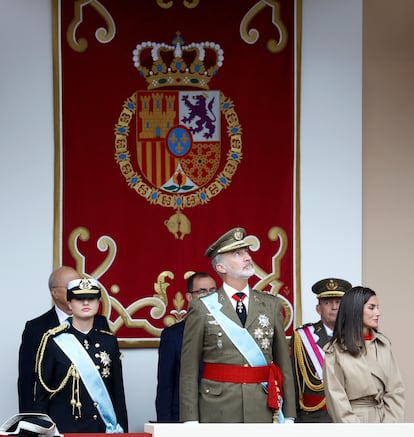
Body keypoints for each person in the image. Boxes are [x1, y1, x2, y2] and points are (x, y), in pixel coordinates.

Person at [179, 227, 296, 423]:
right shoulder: (202, 307)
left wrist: (290, 415)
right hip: (218, 408)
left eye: (247, 252)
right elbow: (189, 369)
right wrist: (190, 419)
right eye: (237, 253)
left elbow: (284, 363)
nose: (247, 257)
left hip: (262, 407)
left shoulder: (271, 305)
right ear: (221, 267)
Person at [34, 278, 128, 433]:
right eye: (79, 298)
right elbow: (42, 397)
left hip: (101, 428)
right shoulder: (53, 341)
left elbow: (117, 393)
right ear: (70, 304)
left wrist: (123, 431)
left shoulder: (109, 341)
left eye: (91, 298)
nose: (86, 303)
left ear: (98, 303)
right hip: (64, 429)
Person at [18, 266, 109, 413]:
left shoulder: (99, 322)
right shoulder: (36, 328)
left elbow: (110, 377)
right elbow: (26, 381)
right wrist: (29, 420)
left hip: (95, 415)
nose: (77, 293)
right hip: (55, 416)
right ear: (54, 292)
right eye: (70, 288)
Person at [323, 286, 405, 422]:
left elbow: (395, 390)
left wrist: (391, 427)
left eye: (378, 307)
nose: (378, 313)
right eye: (372, 308)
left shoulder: (383, 345)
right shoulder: (335, 350)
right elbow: (336, 399)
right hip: (354, 424)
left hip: (385, 420)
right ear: (355, 310)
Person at [155, 272, 217, 422]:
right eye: (202, 291)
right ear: (190, 297)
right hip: (185, 417)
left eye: (213, 291)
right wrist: (166, 426)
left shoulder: (229, 331)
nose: (209, 295)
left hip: (219, 414)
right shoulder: (173, 335)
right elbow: (165, 386)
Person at [290, 277, 352, 422]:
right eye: (327, 302)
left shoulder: (356, 336)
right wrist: (292, 417)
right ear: (318, 309)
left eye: (338, 302)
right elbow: (294, 382)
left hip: (350, 416)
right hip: (315, 417)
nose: (334, 307)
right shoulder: (302, 337)